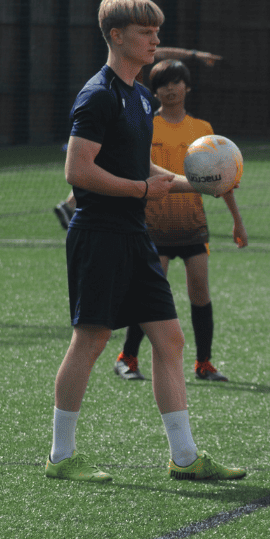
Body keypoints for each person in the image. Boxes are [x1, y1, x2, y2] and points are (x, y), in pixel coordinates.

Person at [45, 0, 245, 484]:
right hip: (99, 234)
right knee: (90, 340)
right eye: (146, 32)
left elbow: (140, 165)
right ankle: (61, 456)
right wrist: (140, 189)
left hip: (135, 235)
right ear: (116, 36)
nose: (157, 39)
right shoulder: (98, 95)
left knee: (170, 339)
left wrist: (196, 182)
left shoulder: (138, 94)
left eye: (157, 30)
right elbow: (77, 170)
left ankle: (185, 457)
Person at [112, 59, 248, 384]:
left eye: (176, 82)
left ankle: (204, 364)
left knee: (200, 292)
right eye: (163, 83)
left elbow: (220, 178)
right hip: (153, 227)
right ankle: (126, 357)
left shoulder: (202, 129)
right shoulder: (147, 124)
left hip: (192, 226)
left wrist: (237, 221)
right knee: (149, 295)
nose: (170, 89)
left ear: (187, 87)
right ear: (155, 90)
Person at [54, 46, 224, 230]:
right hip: (111, 223)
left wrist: (203, 184)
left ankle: (70, 203)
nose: (154, 41)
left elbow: (146, 168)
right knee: (111, 160)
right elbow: (164, 53)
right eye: (146, 33)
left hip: (133, 112)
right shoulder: (109, 87)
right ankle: (72, 203)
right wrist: (195, 55)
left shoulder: (136, 87)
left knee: (115, 160)